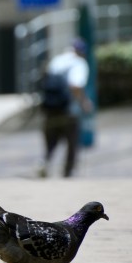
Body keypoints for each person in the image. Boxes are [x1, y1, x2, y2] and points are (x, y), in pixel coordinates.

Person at [39, 38, 93, 178]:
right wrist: (84, 102)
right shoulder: (79, 63)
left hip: (50, 108)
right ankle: (68, 172)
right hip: (69, 110)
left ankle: (44, 164)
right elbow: (75, 85)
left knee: (51, 142)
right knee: (72, 143)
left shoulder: (57, 60)